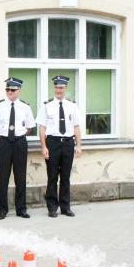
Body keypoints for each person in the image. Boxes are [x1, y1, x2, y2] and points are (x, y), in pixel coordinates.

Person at [0, 77, 35, 220]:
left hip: (20, 143)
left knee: (20, 177)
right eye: (7, 89)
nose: (9, 92)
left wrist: (18, 136)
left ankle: (21, 209)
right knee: (3, 176)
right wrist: (4, 137)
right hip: (4, 143)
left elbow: (30, 127)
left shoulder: (25, 107)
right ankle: (2, 209)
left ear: (19, 91)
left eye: (12, 90)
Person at [36, 76, 82, 218]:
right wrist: (44, 147)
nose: (58, 90)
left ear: (65, 88)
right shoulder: (46, 106)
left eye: (61, 88)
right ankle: (52, 207)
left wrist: (78, 146)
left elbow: (76, 127)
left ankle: (65, 207)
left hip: (68, 143)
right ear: (54, 88)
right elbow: (42, 128)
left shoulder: (72, 106)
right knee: (52, 176)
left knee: (66, 177)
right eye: (56, 87)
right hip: (53, 143)